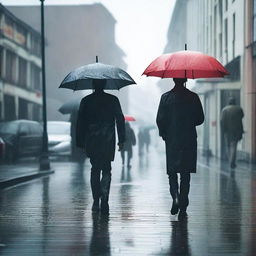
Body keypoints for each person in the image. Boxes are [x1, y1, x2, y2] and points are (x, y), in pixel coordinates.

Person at [156, 78, 204, 220]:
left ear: (173, 79)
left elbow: (160, 119)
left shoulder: (165, 97)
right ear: (185, 80)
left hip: (172, 139)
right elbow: (200, 118)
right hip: (188, 139)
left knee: (172, 172)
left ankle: (175, 197)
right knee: (185, 173)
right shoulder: (193, 97)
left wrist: (164, 134)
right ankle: (183, 203)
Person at [76, 79, 125, 214]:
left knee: (95, 169)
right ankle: (105, 199)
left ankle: (96, 200)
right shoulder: (113, 100)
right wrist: (121, 140)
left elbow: (80, 122)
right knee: (106, 169)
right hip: (108, 139)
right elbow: (120, 119)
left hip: (92, 139)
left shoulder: (86, 101)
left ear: (93, 85)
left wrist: (80, 142)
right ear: (105, 84)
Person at [221, 97, 244, 169]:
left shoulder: (224, 110)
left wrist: (223, 131)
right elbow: (242, 117)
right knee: (234, 146)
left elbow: (222, 121)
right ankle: (232, 162)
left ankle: (230, 160)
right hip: (236, 131)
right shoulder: (239, 109)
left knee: (228, 146)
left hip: (227, 131)